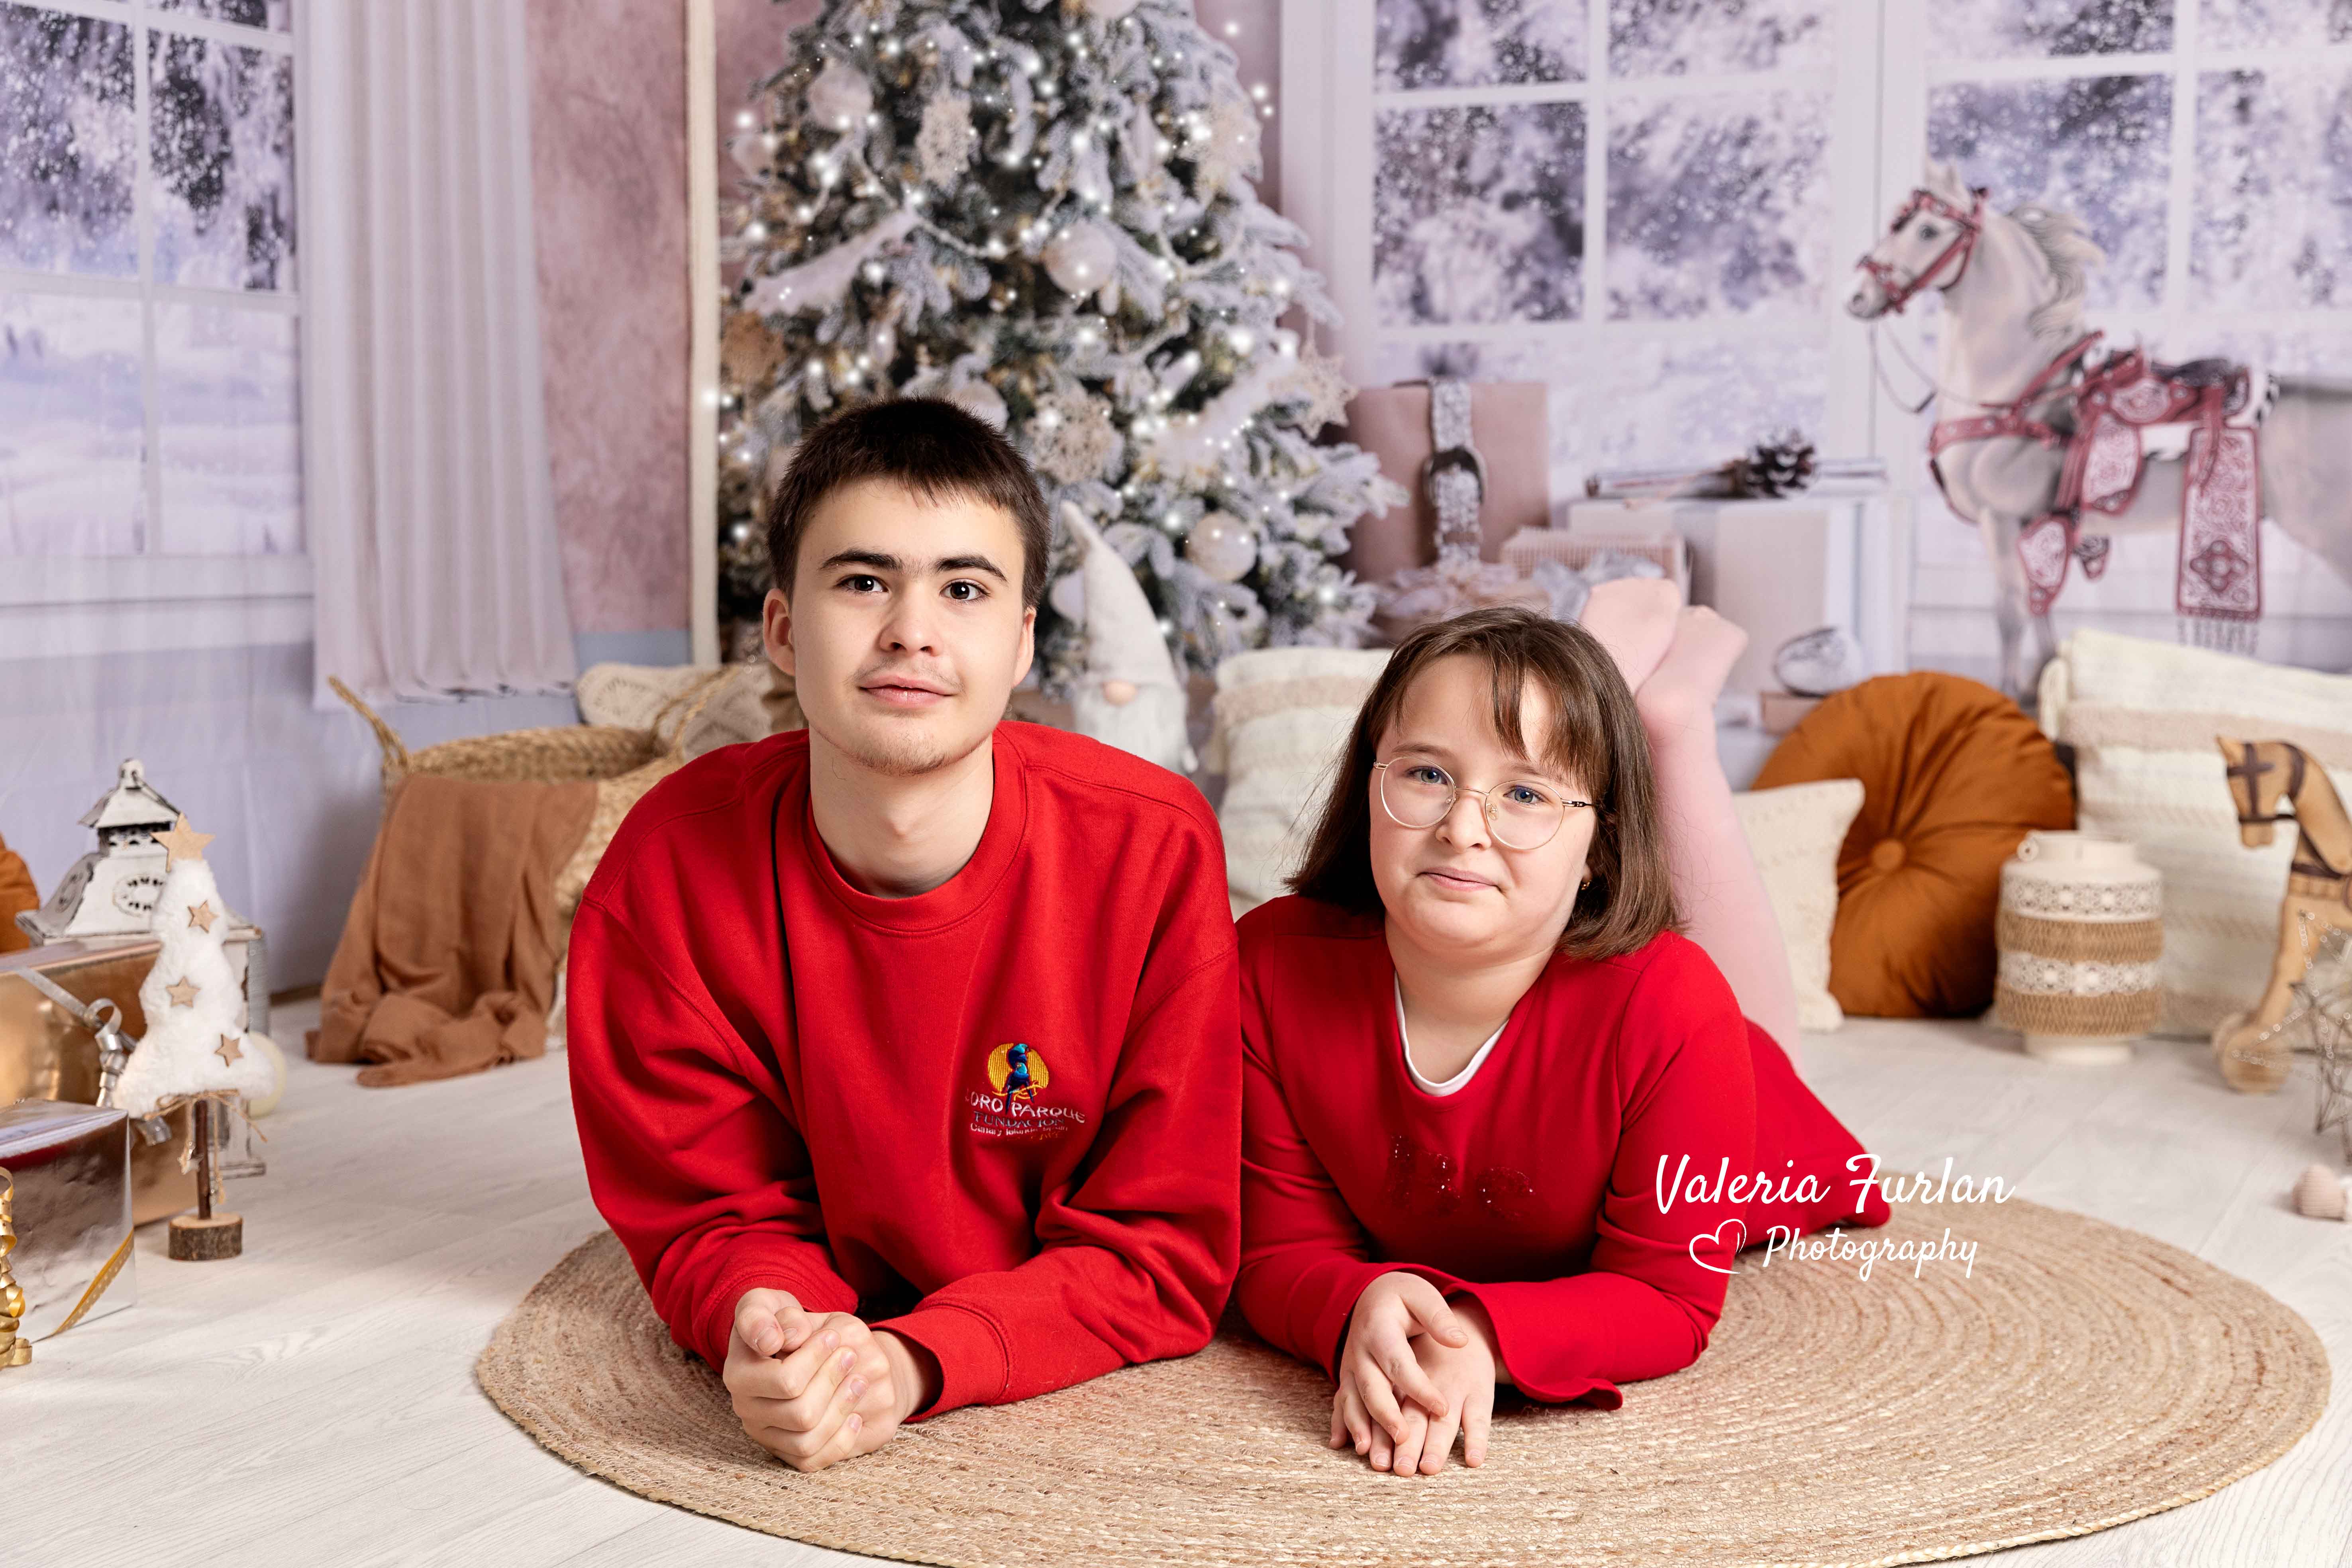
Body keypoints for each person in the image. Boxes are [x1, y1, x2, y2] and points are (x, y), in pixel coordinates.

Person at [566, 398, 1241, 1473]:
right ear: (782, 630)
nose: (911, 632)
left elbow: (1165, 1247)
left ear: (1023, 644)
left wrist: (917, 1363)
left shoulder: (1153, 849)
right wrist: (770, 1317)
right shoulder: (667, 870)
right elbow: (706, 1211)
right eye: (863, 582)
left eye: (964, 589)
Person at [1235, 598, 1891, 1478]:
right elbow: (1277, 1250)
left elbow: (1668, 1298)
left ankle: (1674, 717)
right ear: (1367, 786)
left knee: (1752, 1018)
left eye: (1525, 794)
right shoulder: (1268, 966)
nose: (1461, 827)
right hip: (1611, 1011)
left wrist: (1482, 1338)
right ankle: (1592, 717)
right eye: (1426, 773)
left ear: (1597, 852)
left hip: (1743, 1103)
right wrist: (1358, 1302)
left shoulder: (1673, 1007)